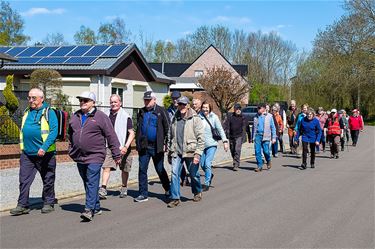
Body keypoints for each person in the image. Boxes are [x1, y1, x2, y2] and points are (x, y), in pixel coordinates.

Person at [68, 91, 121, 222]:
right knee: (87, 181)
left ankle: (88, 209)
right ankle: (96, 206)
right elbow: (70, 134)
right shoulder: (75, 116)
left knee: (92, 180)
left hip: (95, 155)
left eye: (86, 100)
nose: (82, 102)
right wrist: (70, 149)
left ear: (93, 102)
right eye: (81, 100)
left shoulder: (101, 116)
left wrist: (116, 154)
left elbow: (111, 135)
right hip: (79, 156)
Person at [10, 88, 58, 216]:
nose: (30, 100)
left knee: (48, 179)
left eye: (33, 98)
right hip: (27, 153)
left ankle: (48, 202)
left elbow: (54, 132)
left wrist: (44, 147)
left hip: (45, 153)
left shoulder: (49, 112)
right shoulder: (27, 111)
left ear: (42, 99)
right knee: (24, 180)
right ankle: (22, 205)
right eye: (29, 98)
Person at [167, 96, 205, 208]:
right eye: (180, 104)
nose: (182, 106)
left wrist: (198, 154)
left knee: (194, 175)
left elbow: (201, 138)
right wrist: (169, 151)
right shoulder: (174, 118)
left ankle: (197, 191)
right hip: (176, 151)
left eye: (184, 104)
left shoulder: (195, 118)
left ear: (188, 105)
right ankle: (175, 198)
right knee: (174, 174)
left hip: (191, 151)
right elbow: (170, 135)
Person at [135, 91, 170, 202]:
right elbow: (138, 128)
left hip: (157, 146)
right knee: (142, 169)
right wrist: (138, 142)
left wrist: (166, 143)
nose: (146, 102)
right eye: (145, 100)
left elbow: (167, 128)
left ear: (154, 100)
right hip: (144, 146)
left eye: (148, 100)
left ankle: (168, 189)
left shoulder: (161, 111)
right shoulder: (141, 112)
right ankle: (143, 193)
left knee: (160, 169)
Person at [98, 94, 135, 199]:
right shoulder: (106, 115)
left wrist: (126, 147)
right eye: (111, 102)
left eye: (115, 102)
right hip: (109, 146)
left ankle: (124, 187)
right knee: (106, 166)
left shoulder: (126, 116)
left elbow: (131, 133)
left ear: (120, 103)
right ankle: (103, 188)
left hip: (123, 146)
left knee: (124, 169)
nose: (113, 104)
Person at [199, 101, 229, 191]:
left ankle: (207, 183)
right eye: (203, 107)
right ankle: (210, 174)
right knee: (202, 164)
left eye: (206, 107)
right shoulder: (199, 116)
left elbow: (220, 129)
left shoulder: (214, 117)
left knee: (208, 163)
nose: (205, 109)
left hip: (211, 144)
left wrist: (225, 141)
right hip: (201, 144)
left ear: (210, 108)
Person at [167, 91, 189, 187]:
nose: (175, 100)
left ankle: (188, 179)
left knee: (188, 165)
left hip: (185, 140)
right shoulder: (168, 111)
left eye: (177, 98)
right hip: (174, 140)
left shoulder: (185, 109)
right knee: (175, 162)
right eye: (173, 98)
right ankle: (175, 192)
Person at [252, 103, 277, 172]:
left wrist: (274, 137)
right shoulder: (256, 116)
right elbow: (254, 128)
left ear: (263, 109)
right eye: (258, 108)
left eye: (259, 108)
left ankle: (268, 160)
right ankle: (259, 166)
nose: (258, 110)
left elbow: (273, 127)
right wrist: (253, 137)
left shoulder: (269, 116)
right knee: (257, 151)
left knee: (266, 151)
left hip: (266, 136)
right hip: (258, 135)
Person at [223, 103, 248, 171]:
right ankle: (235, 160)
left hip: (239, 136)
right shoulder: (230, 117)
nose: (238, 110)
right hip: (231, 136)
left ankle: (236, 164)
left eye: (239, 109)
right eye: (237, 109)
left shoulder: (243, 117)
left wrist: (249, 136)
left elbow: (247, 127)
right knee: (232, 150)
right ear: (234, 110)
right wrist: (225, 132)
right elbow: (226, 125)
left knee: (237, 149)